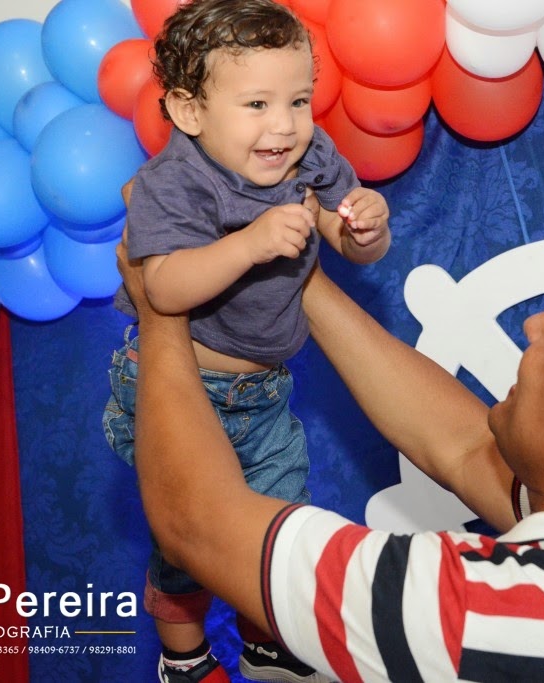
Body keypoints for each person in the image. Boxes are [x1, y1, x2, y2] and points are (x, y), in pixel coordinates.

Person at [121, 243, 544, 682]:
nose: (533, 326)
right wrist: (301, 277)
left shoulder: (484, 617)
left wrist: (160, 308)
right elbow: (463, 449)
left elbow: (193, 520)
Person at [101, 1, 390, 681]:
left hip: (264, 392)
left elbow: (344, 234)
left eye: (299, 100)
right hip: (179, 387)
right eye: (257, 103)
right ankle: (184, 658)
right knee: (190, 539)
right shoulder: (173, 182)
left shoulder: (307, 155)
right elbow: (163, 288)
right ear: (189, 111)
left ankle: (265, 643)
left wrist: (366, 230)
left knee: (276, 525)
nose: (284, 124)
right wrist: (249, 245)